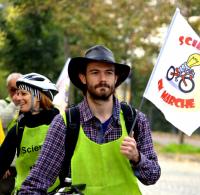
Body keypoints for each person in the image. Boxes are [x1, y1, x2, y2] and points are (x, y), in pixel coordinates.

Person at [19, 45, 161, 195]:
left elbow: (152, 177)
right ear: (83, 78)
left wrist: (137, 157)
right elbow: (36, 182)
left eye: (108, 73)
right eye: (95, 72)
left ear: (116, 78)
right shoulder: (65, 123)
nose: (102, 79)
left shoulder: (135, 120)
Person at [0, 73, 60, 194]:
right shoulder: (18, 128)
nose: (17, 98)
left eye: (23, 94)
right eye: (17, 93)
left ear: (37, 96)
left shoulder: (60, 123)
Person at [0, 72, 22, 195]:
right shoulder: (3, 104)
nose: (17, 93)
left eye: (21, 89)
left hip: (23, 162)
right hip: (8, 165)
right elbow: (2, 121)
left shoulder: (27, 103)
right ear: (8, 89)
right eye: (14, 89)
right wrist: (14, 103)